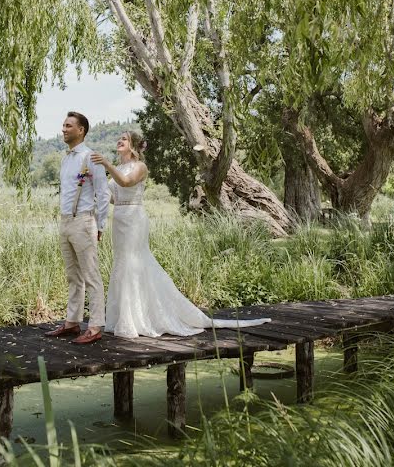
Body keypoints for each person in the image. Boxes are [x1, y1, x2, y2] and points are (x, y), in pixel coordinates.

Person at [90, 132, 271, 338]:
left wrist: (105, 164)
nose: (119, 140)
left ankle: (138, 319)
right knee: (122, 263)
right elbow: (114, 197)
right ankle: (124, 317)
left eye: (124, 138)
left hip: (134, 220)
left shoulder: (139, 167)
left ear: (133, 145)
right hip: (120, 219)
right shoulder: (118, 168)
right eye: (119, 137)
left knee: (133, 262)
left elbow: (125, 183)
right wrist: (96, 186)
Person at [44, 112, 110, 344]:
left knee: (91, 275)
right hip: (65, 221)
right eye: (63, 125)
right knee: (73, 275)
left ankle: (95, 326)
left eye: (68, 125)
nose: (63, 129)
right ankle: (72, 322)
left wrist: (100, 224)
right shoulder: (65, 159)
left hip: (84, 221)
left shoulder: (91, 157)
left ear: (81, 130)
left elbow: (103, 193)